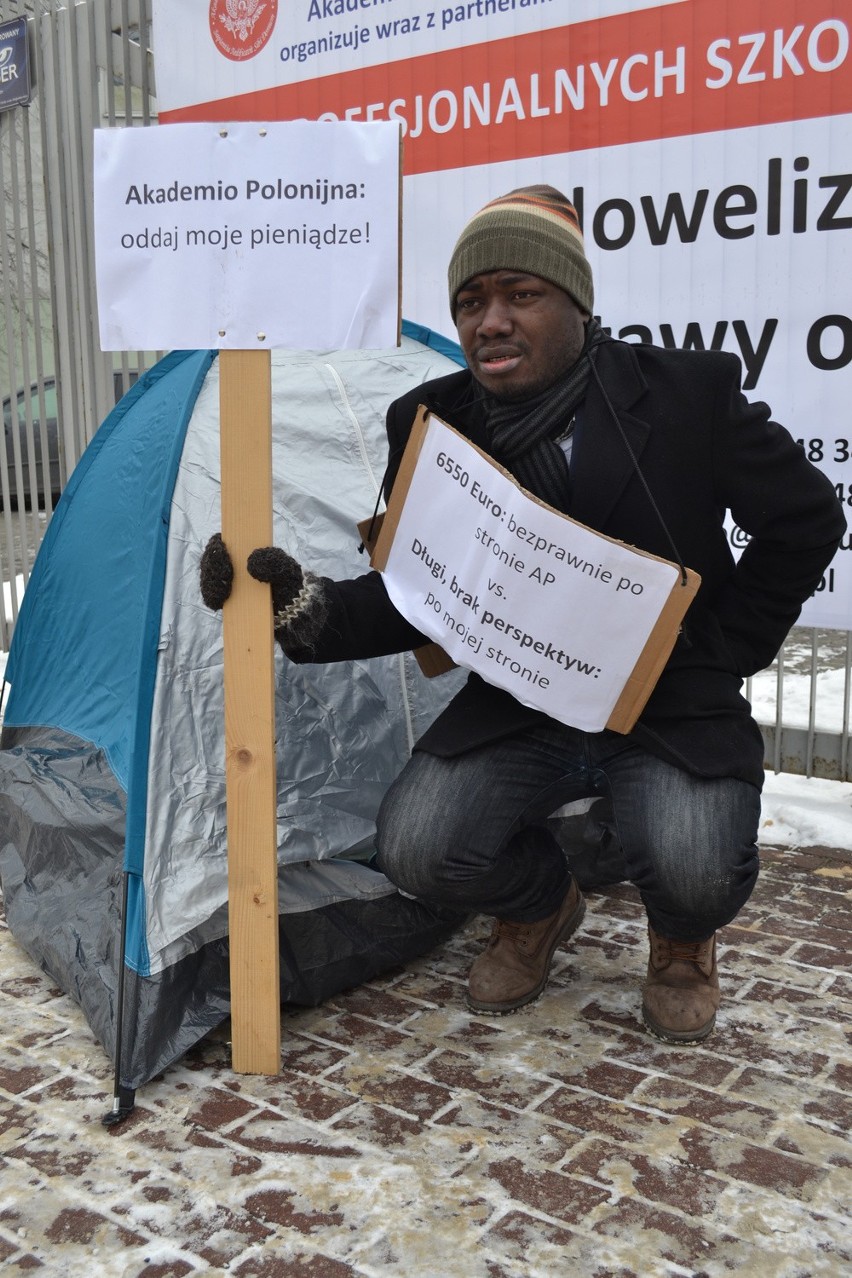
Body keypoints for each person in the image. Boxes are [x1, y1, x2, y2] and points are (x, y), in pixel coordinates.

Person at [201, 186, 845, 1044]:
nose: (490, 320)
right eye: (471, 302)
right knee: (418, 844)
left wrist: (724, 648)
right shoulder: (431, 423)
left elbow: (805, 520)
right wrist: (295, 607)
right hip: (524, 706)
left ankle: (683, 942)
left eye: (520, 294)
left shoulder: (687, 393)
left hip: (668, 701)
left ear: (577, 304)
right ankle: (542, 907)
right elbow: (419, 594)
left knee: (695, 864)